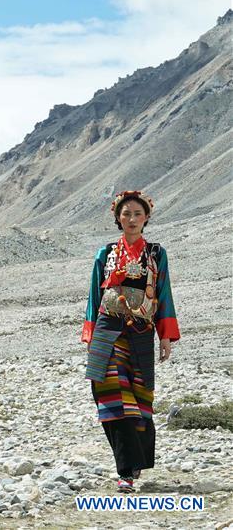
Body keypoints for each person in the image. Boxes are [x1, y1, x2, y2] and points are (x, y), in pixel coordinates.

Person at [82, 190, 180, 494]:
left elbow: (163, 294)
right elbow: (94, 296)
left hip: (140, 332)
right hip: (107, 328)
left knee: (138, 397)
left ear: (146, 217)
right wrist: (89, 333)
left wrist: (165, 335)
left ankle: (135, 462)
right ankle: (125, 471)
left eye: (138, 214)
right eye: (126, 214)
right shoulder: (105, 253)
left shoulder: (156, 254)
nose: (132, 219)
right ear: (118, 218)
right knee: (109, 393)